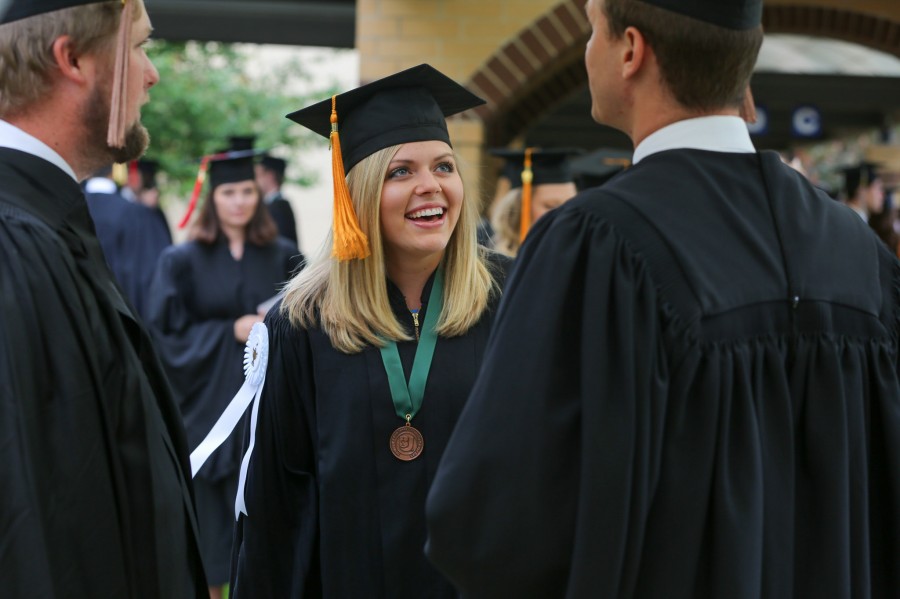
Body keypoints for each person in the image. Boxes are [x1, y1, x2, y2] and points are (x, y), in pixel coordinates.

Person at [425, 0, 900, 597]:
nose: (585, 51)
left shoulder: (598, 245)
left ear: (630, 50)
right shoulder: (860, 253)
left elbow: (494, 523)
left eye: (592, 29)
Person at [229, 63, 511, 598]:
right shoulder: (302, 322)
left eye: (444, 167)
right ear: (356, 194)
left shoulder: (513, 298)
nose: (431, 187)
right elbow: (277, 504)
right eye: (400, 171)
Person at [0, 0, 208, 596]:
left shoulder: (47, 224)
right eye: (139, 46)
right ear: (71, 60)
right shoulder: (15, 243)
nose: (153, 74)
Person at [147, 138, 303, 599]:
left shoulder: (285, 255)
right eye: (228, 193)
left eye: (247, 192)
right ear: (212, 199)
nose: (238, 201)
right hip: (209, 410)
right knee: (212, 520)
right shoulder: (181, 260)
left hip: (269, 405)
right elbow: (164, 337)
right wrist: (229, 332)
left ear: (260, 196)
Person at [489, 147, 580, 256]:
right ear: (518, 208)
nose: (565, 215)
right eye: (550, 206)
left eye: (571, 206)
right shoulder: (490, 263)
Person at [256, 152, 300, 245]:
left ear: (269, 176)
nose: (255, 181)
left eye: (258, 175)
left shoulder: (279, 207)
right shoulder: (273, 204)